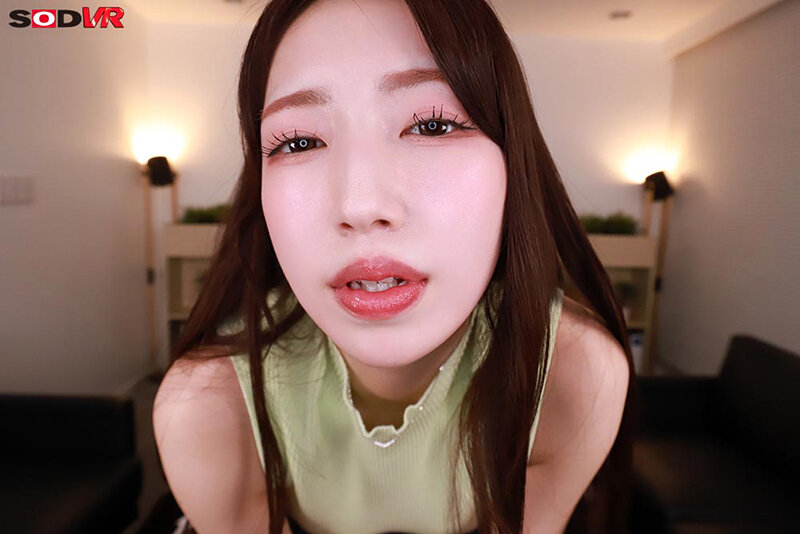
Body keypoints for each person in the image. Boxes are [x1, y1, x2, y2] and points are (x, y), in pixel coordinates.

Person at [153, 1, 636, 533]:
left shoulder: (572, 375)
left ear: (510, 158)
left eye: (432, 125)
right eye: (299, 141)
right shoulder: (208, 407)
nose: (361, 206)